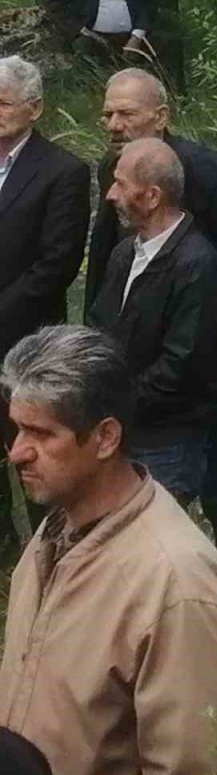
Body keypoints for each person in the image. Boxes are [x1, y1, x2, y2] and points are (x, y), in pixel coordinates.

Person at [0, 324, 217, 775]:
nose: (17, 453)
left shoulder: (177, 584)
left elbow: (188, 774)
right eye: (15, 429)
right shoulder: (54, 533)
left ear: (105, 437)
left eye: (40, 433)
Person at [88, 67, 217, 586]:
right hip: (134, 351)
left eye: (126, 113)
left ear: (161, 115)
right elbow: (107, 254)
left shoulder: (207, 171)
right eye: (107, 113)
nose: (113, 123)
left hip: (206, 358)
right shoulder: (115, 169)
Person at [86, 138, 217, 508]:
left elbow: (182, 365)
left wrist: (116, 400)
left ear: (152, 196)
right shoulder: (124, 253)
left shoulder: (197, 264)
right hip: (122, 431)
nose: (111, 195)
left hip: (168, 443)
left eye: (120, 184)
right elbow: (100, 326)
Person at [0, 56, 91, 558]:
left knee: (35, 454)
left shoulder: (63, 172)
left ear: (34, 108)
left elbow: (54, 266)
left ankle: (51, 553)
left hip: (26, 345)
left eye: (5, 103)